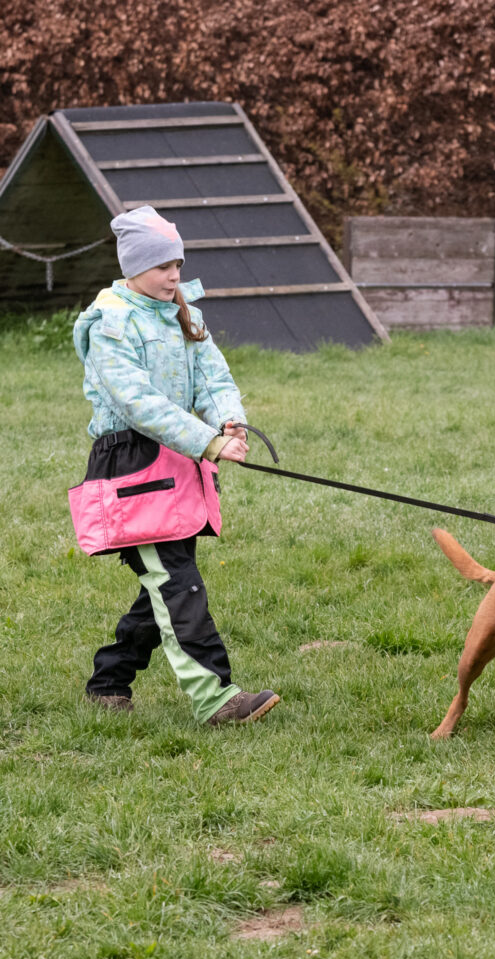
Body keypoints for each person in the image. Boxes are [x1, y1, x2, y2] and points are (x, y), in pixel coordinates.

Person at [69, 205, 279, 726]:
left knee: (163, 580)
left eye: (178, 265)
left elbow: (213, 379)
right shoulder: (110, 323)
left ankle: (109, 679)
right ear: (132, 265)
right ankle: (216, 699)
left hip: (178, 456)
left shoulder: (184, 311)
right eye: (163, 265)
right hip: (131, 462)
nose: (173, 275)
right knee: (174, 580)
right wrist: (206, 441)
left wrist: (229, 421)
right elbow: (138, 402)